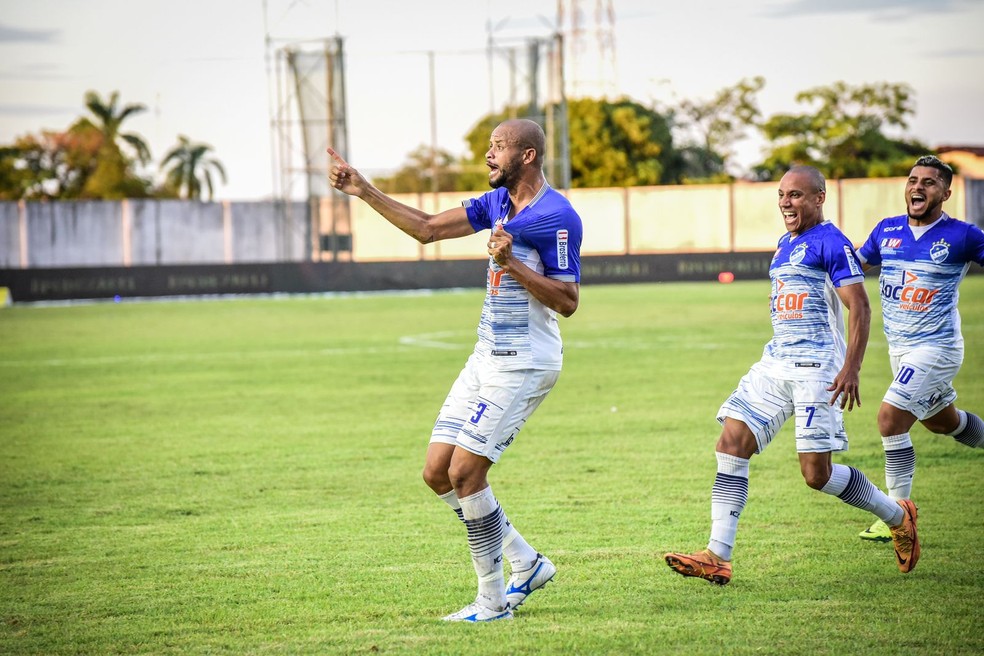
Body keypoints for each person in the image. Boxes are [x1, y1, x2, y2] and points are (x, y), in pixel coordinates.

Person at [327, 118, 582, 621]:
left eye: (499, 147)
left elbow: (569, 300)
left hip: (525, 363)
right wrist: (364, 191)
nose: (489, 156)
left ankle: (492, 603)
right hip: (485, 357)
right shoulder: (495, 205)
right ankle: (524, 562)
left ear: (527, 156)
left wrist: (514, 265)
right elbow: (425, 230)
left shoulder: (558, 216)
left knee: (466, 473)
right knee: (436, 474)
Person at [663, 165, 919, 585]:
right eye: (782, 195)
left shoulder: (832, 243)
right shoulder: (785, 242)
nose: (786, 202)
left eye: (796, 195)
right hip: (775, 362)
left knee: (816, 475)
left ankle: (897, 515)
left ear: (819, 198)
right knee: (730, 442)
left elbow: (861, 307)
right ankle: (717, 555)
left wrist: (851, 367)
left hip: (817, 369)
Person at [855, 155, 984, 542]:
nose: (918, 187)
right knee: (943, 422)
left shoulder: (963, 236)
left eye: (929, 182)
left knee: (890, 420)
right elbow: (853, 269)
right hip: (901, 352)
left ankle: (898, 515)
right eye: (913, 180)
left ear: (946, 192)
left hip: (937, 349)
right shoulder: (886, 230)